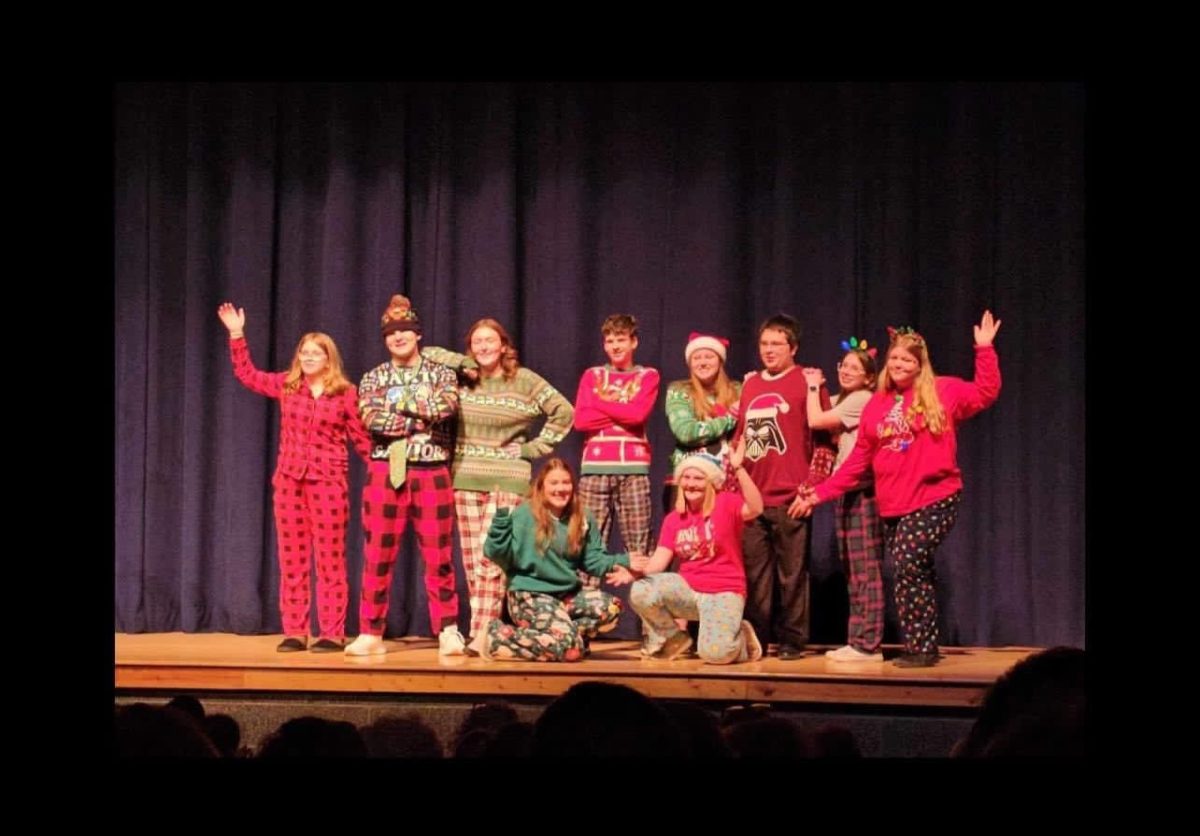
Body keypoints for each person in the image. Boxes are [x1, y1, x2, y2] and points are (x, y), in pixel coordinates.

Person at [794, 311, 1002, 667]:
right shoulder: (877, 406)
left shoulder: (943, 391)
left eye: (907, 359)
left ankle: (921, 649)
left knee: (906, 561)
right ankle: (921, 643)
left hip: (937, 495)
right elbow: (859, 461)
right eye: (894, 358)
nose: (900, 363)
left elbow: (985, 392)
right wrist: (820, 492)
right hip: (895, 505)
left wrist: (984, 349)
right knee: (912, 570)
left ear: (920, 365)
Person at [217, 302, 370, 653]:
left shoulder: (345, 394)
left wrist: (387, 471)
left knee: (331, 560)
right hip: (289, 482)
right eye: (304, 352)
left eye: (316, 353)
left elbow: (362, 440)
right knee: (293, 559)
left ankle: (331, 631)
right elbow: (248, 375)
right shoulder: (288, 386)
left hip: (329, 483)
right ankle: (295, 630)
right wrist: (237, 334)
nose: (308, 357)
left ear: (329, 359)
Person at [421, 319, 574, 643]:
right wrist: (463, 363)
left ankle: (480, 636)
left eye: (490, 340)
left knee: (491, 560)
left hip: (507, 480)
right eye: (477, 342)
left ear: (504, 346)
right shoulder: (461, 378)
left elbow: (564, 411)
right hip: (465, 478)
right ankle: (490, 630)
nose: (484, 347)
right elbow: (427, 353)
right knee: (473, 563)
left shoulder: (523, 380)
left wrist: (534, 448)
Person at [344, 295, 466, 657]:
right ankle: (370, 631)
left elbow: (446, 407)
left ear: (417, 334)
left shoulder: (440, 373)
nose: (398, 337)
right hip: (386, 471)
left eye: (404, 331)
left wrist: (399, 410)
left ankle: (447, 628)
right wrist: (418, 417)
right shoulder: (373, 377)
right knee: (377, 556)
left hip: (431, 471)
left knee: (439, 556)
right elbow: (372, 419)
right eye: (391, 333)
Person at [734, 314, 836, 659]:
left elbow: (825, 442)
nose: (769, 350)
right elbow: (740, 438)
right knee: (754, 578)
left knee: (792, 577)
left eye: (777, 344)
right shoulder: (749, 384)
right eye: (764, 344)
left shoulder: (807, 382)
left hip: (792, 496)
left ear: (793, 347)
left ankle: (793, 641)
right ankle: (757, 640)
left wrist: (811, 490)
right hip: (753, 499)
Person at [469, 459, 636, 662]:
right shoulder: (525, 514)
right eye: (554, 483)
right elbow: (496, 553)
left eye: (566, 482)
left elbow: (592, 561)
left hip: (565, 596)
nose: (561, 489)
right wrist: (500, 524)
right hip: (530, 595)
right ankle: (496, 636)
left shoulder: (582, 517)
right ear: (542, 486)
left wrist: (625, 561)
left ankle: (566, 638)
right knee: (567, 649)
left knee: (612, 607)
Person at [628, 442, 765, 664]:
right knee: (641, 590)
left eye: (698, 478)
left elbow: (756, 508)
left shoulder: (726, 503)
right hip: (689, 591)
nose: (691, 484)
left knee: (715, 655)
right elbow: (658, 563)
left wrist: (739, 469)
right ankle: (673, 638)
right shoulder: (674, 519)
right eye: (686, 477)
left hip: (724, 590)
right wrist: (634, 571)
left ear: (711, 481)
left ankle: (742, 641)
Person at [802, 337, 886, 663]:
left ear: (868, 378)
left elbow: (815, 419)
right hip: (846, 491)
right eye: (844, 365)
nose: (847, 371)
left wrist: (812, 387)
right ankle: (859, 640)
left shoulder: (863, 398)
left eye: (856, 367)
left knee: (866, 569)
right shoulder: (845, 399)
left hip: (864, 491)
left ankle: (868, 643)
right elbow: (820, 407)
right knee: (853, 569)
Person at [572, 313, 659, 586]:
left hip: (633, 468)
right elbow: (581, 420)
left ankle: (650, 622)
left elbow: (637, 415)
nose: (615, 346)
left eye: (621, 339)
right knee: (587, 542)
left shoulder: (648, 375)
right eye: (609, 341)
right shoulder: (593, 375)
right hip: (595, 468)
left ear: (634, 342)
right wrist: (622, 410)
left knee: (640, 545)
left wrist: (599, 403)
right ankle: (586, 619)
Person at [663, 332, 742, 513]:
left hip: (728, 480)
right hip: (688, 481)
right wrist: (730, 419)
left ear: (720, 361)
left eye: (709, 356)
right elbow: (686, 432)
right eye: (697, 358)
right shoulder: (679, 391)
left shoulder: (738, 390)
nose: (702, 362)